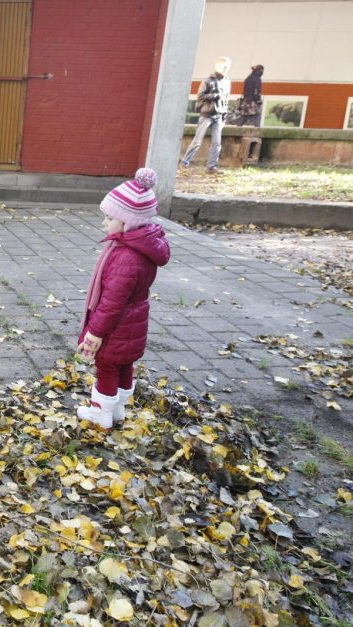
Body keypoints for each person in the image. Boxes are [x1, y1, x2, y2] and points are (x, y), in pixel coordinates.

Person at [76, 168, 171, 429]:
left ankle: (101, 415)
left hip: (116, 327)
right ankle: (118, 411)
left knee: (106, 366)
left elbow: (111, 303)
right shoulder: (143, 247)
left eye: (109, 217)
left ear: (128, 222)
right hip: (134, 322)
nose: (104, 223)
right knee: (125, 365)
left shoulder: (127, 257)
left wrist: (95, 333)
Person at [180, 56, 232, 174]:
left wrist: (224, 116)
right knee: (197, 141)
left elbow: (226, 99)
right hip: (207, 114)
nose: (226, 69)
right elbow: (200, 96)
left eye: (227, 66)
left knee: (217, 143)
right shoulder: (208, 80)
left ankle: (212, 166)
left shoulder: (227, 81)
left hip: (219, 114)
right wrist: (215, 96)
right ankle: (184, 162)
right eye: (225, 66)